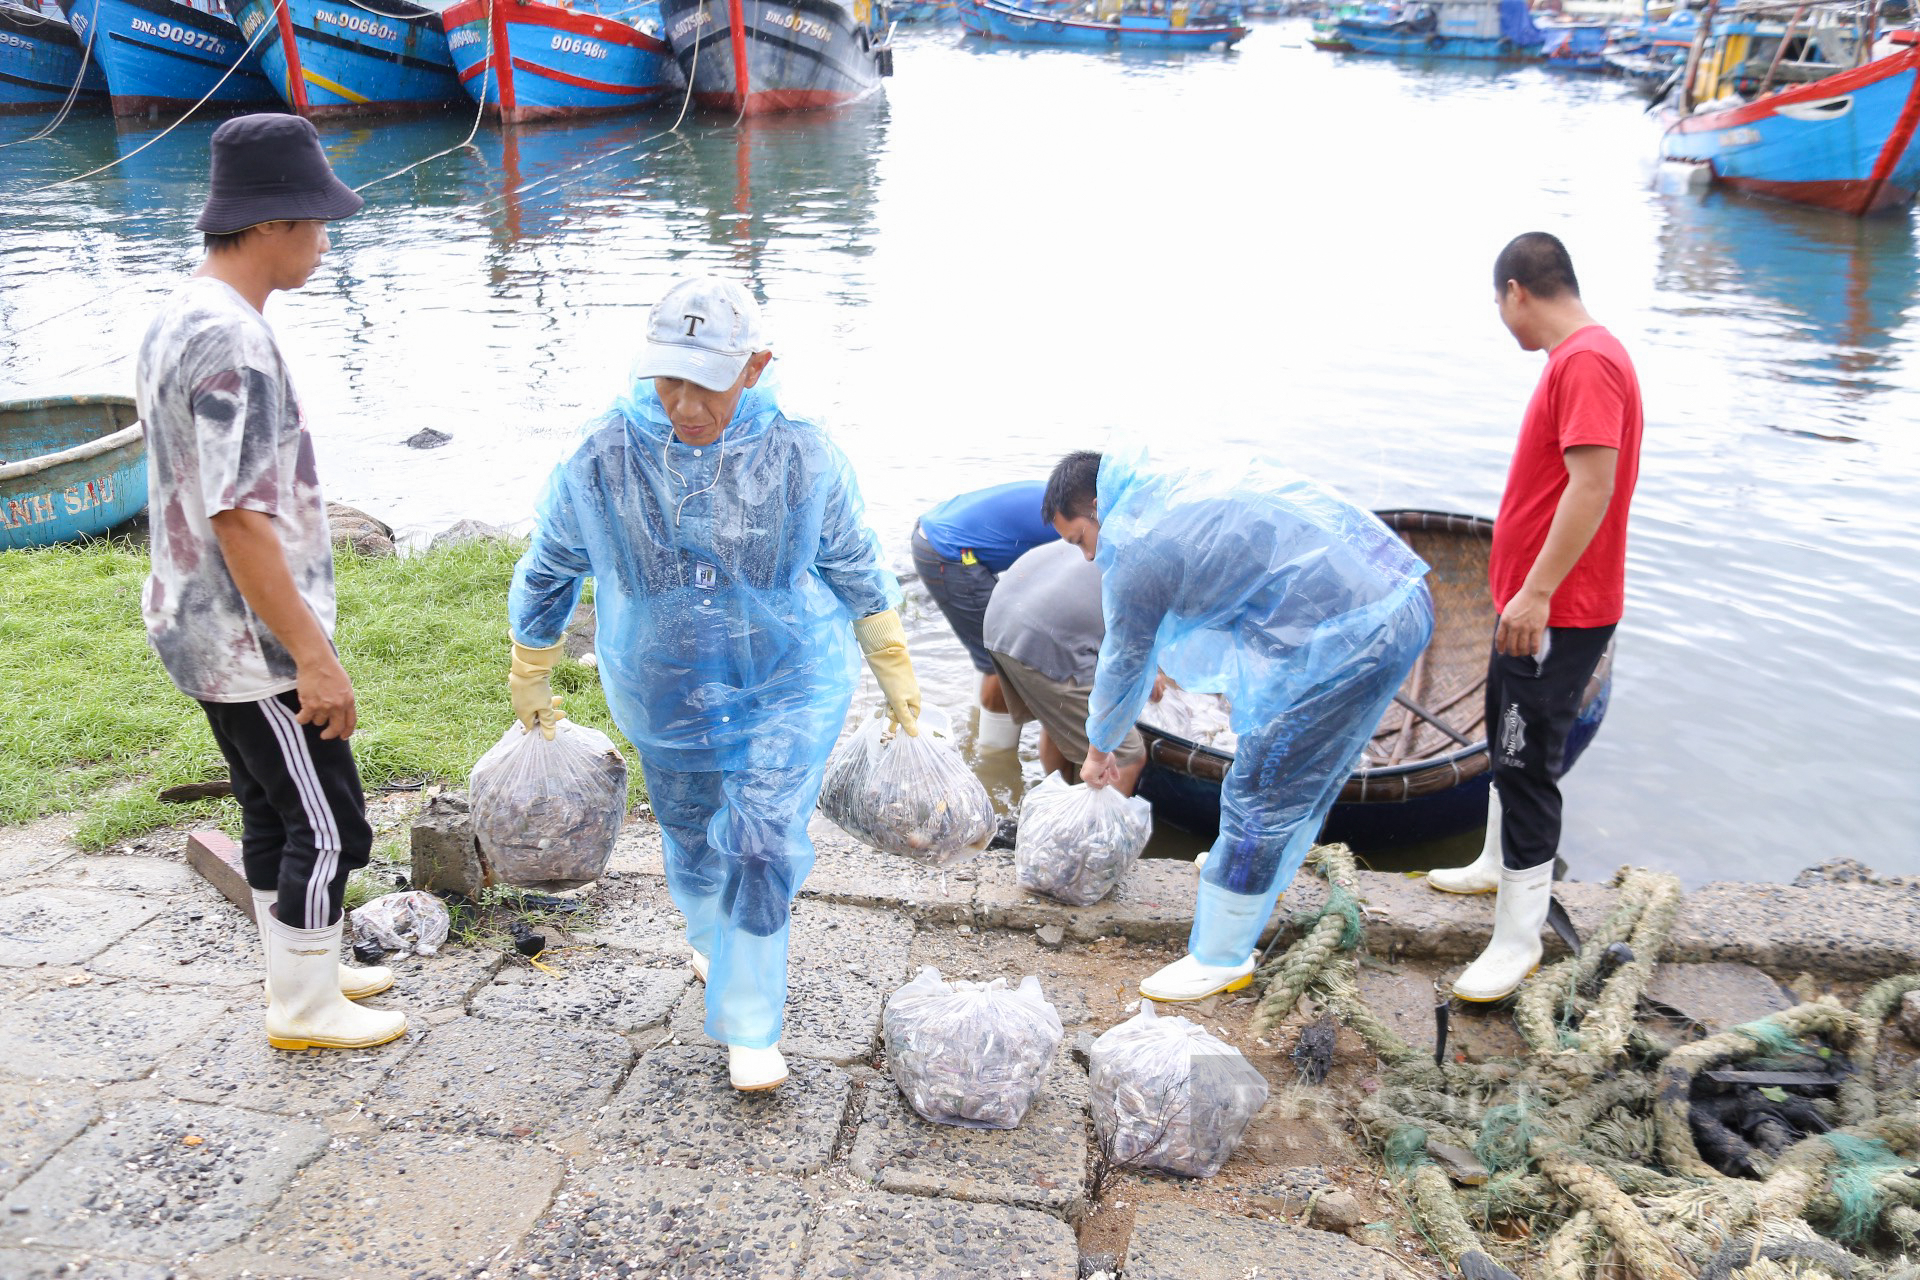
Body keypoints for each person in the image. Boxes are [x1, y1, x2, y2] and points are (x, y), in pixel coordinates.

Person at [508, 276, 920, 1092]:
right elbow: (554, 558)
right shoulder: (605, 455)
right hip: (663, 684)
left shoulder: (800, 453)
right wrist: (531, 658)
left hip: (786, 678)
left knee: (763, 840)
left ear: (755, 366)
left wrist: (889, 652)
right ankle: (711, 939)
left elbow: (848, 556)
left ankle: (750, 1020)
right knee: (694, 834)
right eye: (670, 380)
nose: (686, 404)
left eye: (709, 382)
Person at [136, 115, 404, 1053]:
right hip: (252, 640)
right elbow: (239, 519)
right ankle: (303, 1007)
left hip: (192, 619)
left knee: (267, 805)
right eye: (317, 221)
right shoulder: (238, 346)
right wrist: (314, 658)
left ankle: (306, 966)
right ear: (270, 224)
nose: (326, 240)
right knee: (331, 826)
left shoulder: (181, 311)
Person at [1047, 448, 1433, 1002]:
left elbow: (1124, 662)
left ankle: (1221, 958)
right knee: (1302, 779)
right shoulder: (1172, 488)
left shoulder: (1135, 548)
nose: (1086, 557)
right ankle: (1260, 880)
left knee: (1261, 788)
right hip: (1396, 593)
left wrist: (1099, 747)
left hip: (1355, 630)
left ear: (1098, 509)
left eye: (1079, 539)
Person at [1428, 232, 1643, 1003]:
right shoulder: (1580, 358)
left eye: (1497, 302)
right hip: (1535, 605)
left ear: (1519, 290)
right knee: (1502, 726)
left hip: (1559, 609)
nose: (1501, 317)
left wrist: (1539, 592)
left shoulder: (1586, 361)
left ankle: (1519, 940)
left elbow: (1593, 486)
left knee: (1526, 756)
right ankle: (1495, 865)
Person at [982, 539, 1149, 795]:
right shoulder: (1157, 567)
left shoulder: (1112, 532)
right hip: (1042, 637)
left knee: (1058, 718)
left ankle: (1057, 801)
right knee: (1126, 753)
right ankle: (1095, 832)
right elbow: (1131, 662)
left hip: (999, 619)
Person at [910, 481, 1059, 742]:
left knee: (990, 646)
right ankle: (994, 761)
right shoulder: (1086, 524)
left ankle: (978, 726)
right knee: (1004, 660)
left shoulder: (1068, 494)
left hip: (935, 532)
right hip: (948, 551)